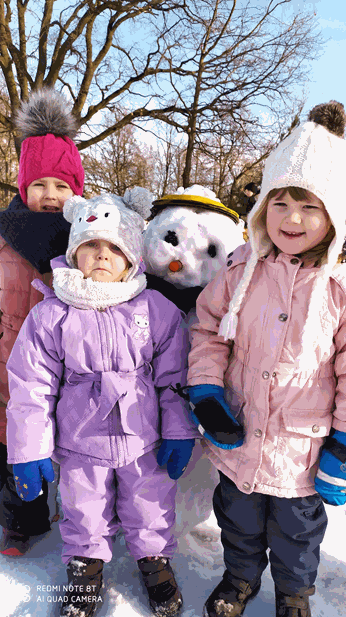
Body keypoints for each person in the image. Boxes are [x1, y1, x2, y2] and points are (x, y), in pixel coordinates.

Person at [6, 190, 199, 617]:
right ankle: (85, 562)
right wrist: (28, 449)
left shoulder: (155, 309)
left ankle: (154, 559)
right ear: (74, 253)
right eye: (90, 245)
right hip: (79, 441)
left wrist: (179, 429)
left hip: (143, 437)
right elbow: (31, 387)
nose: (101, 255)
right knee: (83, 507)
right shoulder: (51, 314)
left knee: (150, 503)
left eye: (114, 247)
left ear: (131, 259)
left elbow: (174, 379)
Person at [187, 100, 346, 617]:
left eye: (310, 206)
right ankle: (239, 578)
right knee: (236, 517)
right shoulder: (239, 270)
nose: (292, 218)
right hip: (239, 433)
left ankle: (294, 593)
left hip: (301, 450)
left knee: (298, 532)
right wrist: (207, 391)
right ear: (262, 209)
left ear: (335, 215)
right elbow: (208, 330)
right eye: (280, 203)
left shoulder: (338, 290)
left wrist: (343, 442)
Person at [0, 88, 84, 556]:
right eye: (39, 185)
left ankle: (64, 508)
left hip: (62, 366)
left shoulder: (86, 243)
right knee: (9, 441)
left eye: (61, 186)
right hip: (7, 359)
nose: (50, 196)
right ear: (22, 188)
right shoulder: (4, 237)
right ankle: (21, 522)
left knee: (57, 442)